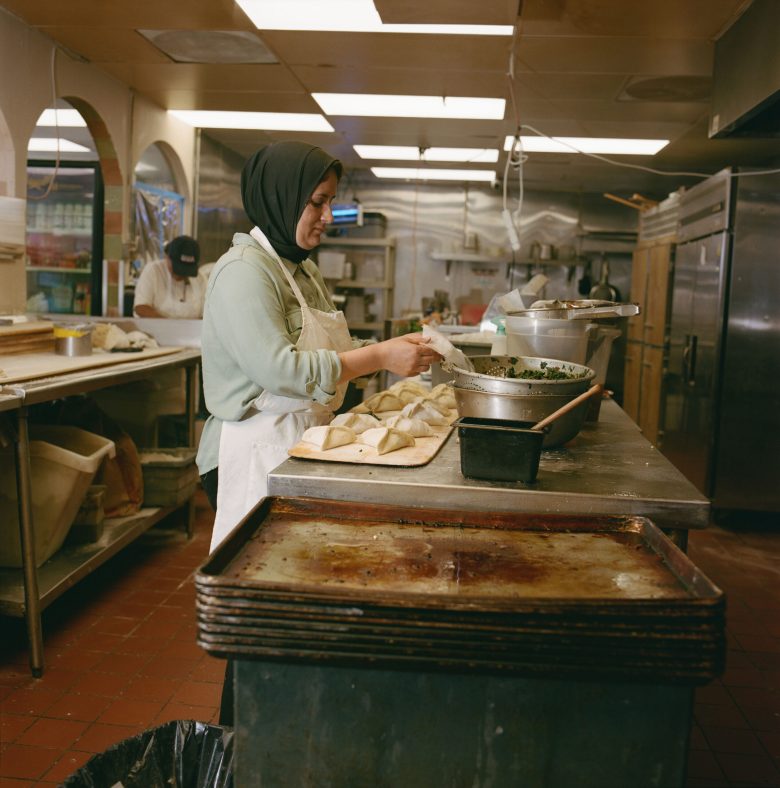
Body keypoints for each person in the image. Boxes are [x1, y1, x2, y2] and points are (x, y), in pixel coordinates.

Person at [197, 141, 440, 551]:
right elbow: (281, 370)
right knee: (262, 570)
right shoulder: (243, 272)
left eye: (330, 202)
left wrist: (392, 347)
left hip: (299, 437)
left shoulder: (302, 269)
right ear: (283, 198)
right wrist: (380, 356)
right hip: (251, 449)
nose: (328, 216)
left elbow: (334, 345)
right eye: (317, 202)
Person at [133, 235, 207, 318]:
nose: (181, 275)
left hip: (191, 330)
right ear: (167, 257)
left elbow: (206, 314)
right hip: (155, 330)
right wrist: (169, 326)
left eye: (186, 271)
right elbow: (141, 308)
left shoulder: (201, 279)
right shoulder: (153, 271)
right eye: (178, 270)